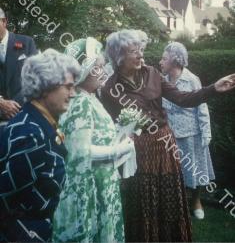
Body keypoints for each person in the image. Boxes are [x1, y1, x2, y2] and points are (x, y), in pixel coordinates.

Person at [101, 29, 235, 242]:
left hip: (164, 145)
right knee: (144, 200)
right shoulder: (109, 89)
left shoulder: (153, 74)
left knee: (169, 198)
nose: (140, 55)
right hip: (137, 152)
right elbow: (110, 127)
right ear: (119, 57)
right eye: (133, 51)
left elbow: (183, 98)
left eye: (140, 50)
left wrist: (213, 89)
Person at [53, 38, 134, 243]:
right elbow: (80, 152)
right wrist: (121, 149)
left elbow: (95, 133)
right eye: (97, 68)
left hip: (101, 180)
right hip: (90, 186)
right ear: (84, 71)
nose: (103, 72)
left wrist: (120, 132)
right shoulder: (79, 101)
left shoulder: (89, 96)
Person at [0, 49, 80, 242]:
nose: (73, 93)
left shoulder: (38, 123)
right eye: (68, 87)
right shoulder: (30, 133)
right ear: (46, 87)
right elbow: (6, 201)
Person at [160, 42, 215, 220]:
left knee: (196, 169)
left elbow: (202, 107)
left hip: (191, 133)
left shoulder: (191, 79)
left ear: (175, 61)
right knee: (176, 170)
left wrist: (206, 132)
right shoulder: (163, 80)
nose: (161, 62)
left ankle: (196, 201)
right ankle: (179, 202)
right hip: (169, 134)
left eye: (164, 58)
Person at [0, 7, 38, 136]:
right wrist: (1, 103)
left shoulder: (27, 43)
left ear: (4, 22)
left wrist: (14, 106)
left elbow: (36, 78)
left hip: (24, 115)